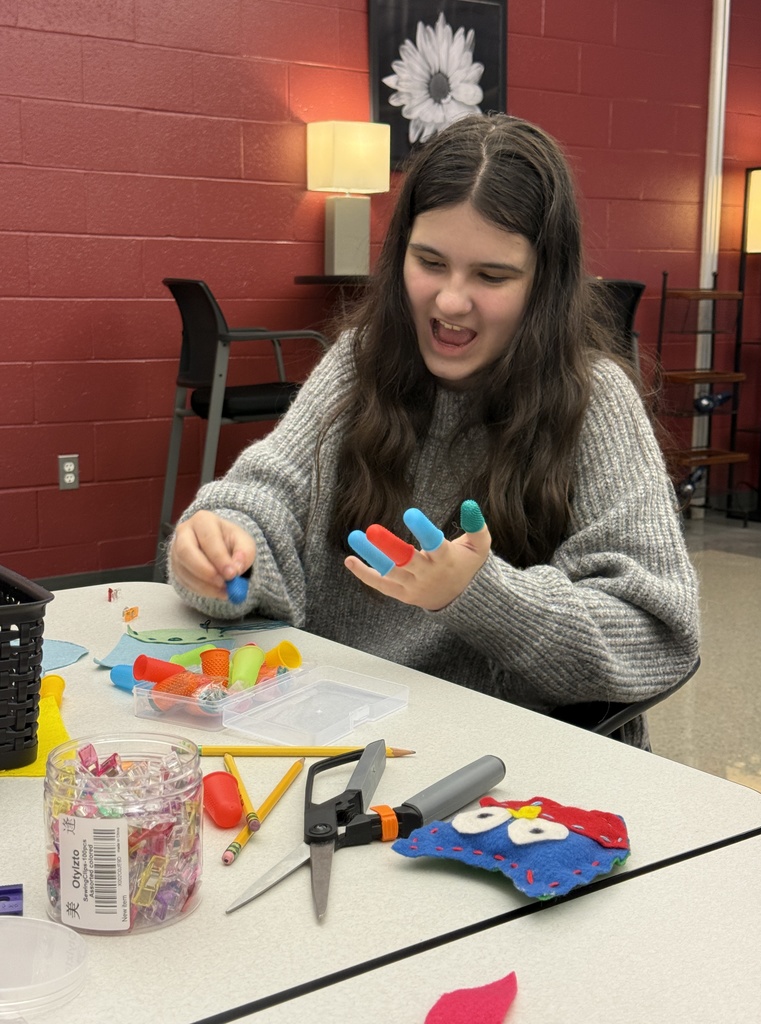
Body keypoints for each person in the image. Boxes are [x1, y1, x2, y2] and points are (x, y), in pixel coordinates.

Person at [167, 113, 699, 749]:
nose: (450, 301)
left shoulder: (595, 398)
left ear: (545, 284)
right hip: (339, 740)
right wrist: (222, 545)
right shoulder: (359, 360)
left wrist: (481, 593)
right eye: (430, 262)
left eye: (492, 276)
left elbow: (657, 635)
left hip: (512, 769)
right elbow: (267, 494)